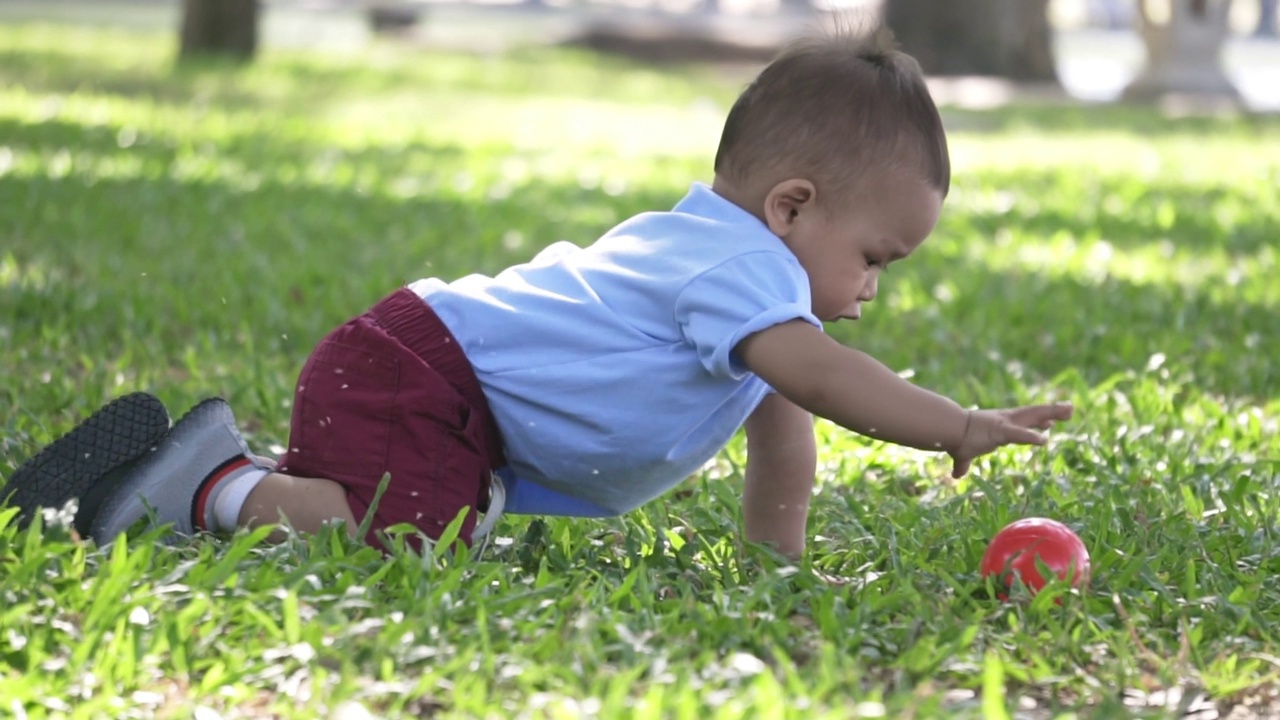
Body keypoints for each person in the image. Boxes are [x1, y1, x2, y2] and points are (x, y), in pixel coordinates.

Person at [4, 27, 1073, 560]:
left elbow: (783, 445)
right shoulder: (741, 270)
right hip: (417, 373)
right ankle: (203, 489)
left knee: (445, 516)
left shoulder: (742, 290)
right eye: (874, 257)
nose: (871, 290)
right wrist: (956, 425)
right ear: (790, 207)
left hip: (421, 374)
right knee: (418, 539)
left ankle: (276, 473)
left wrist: (775, 572)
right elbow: (831, 384)